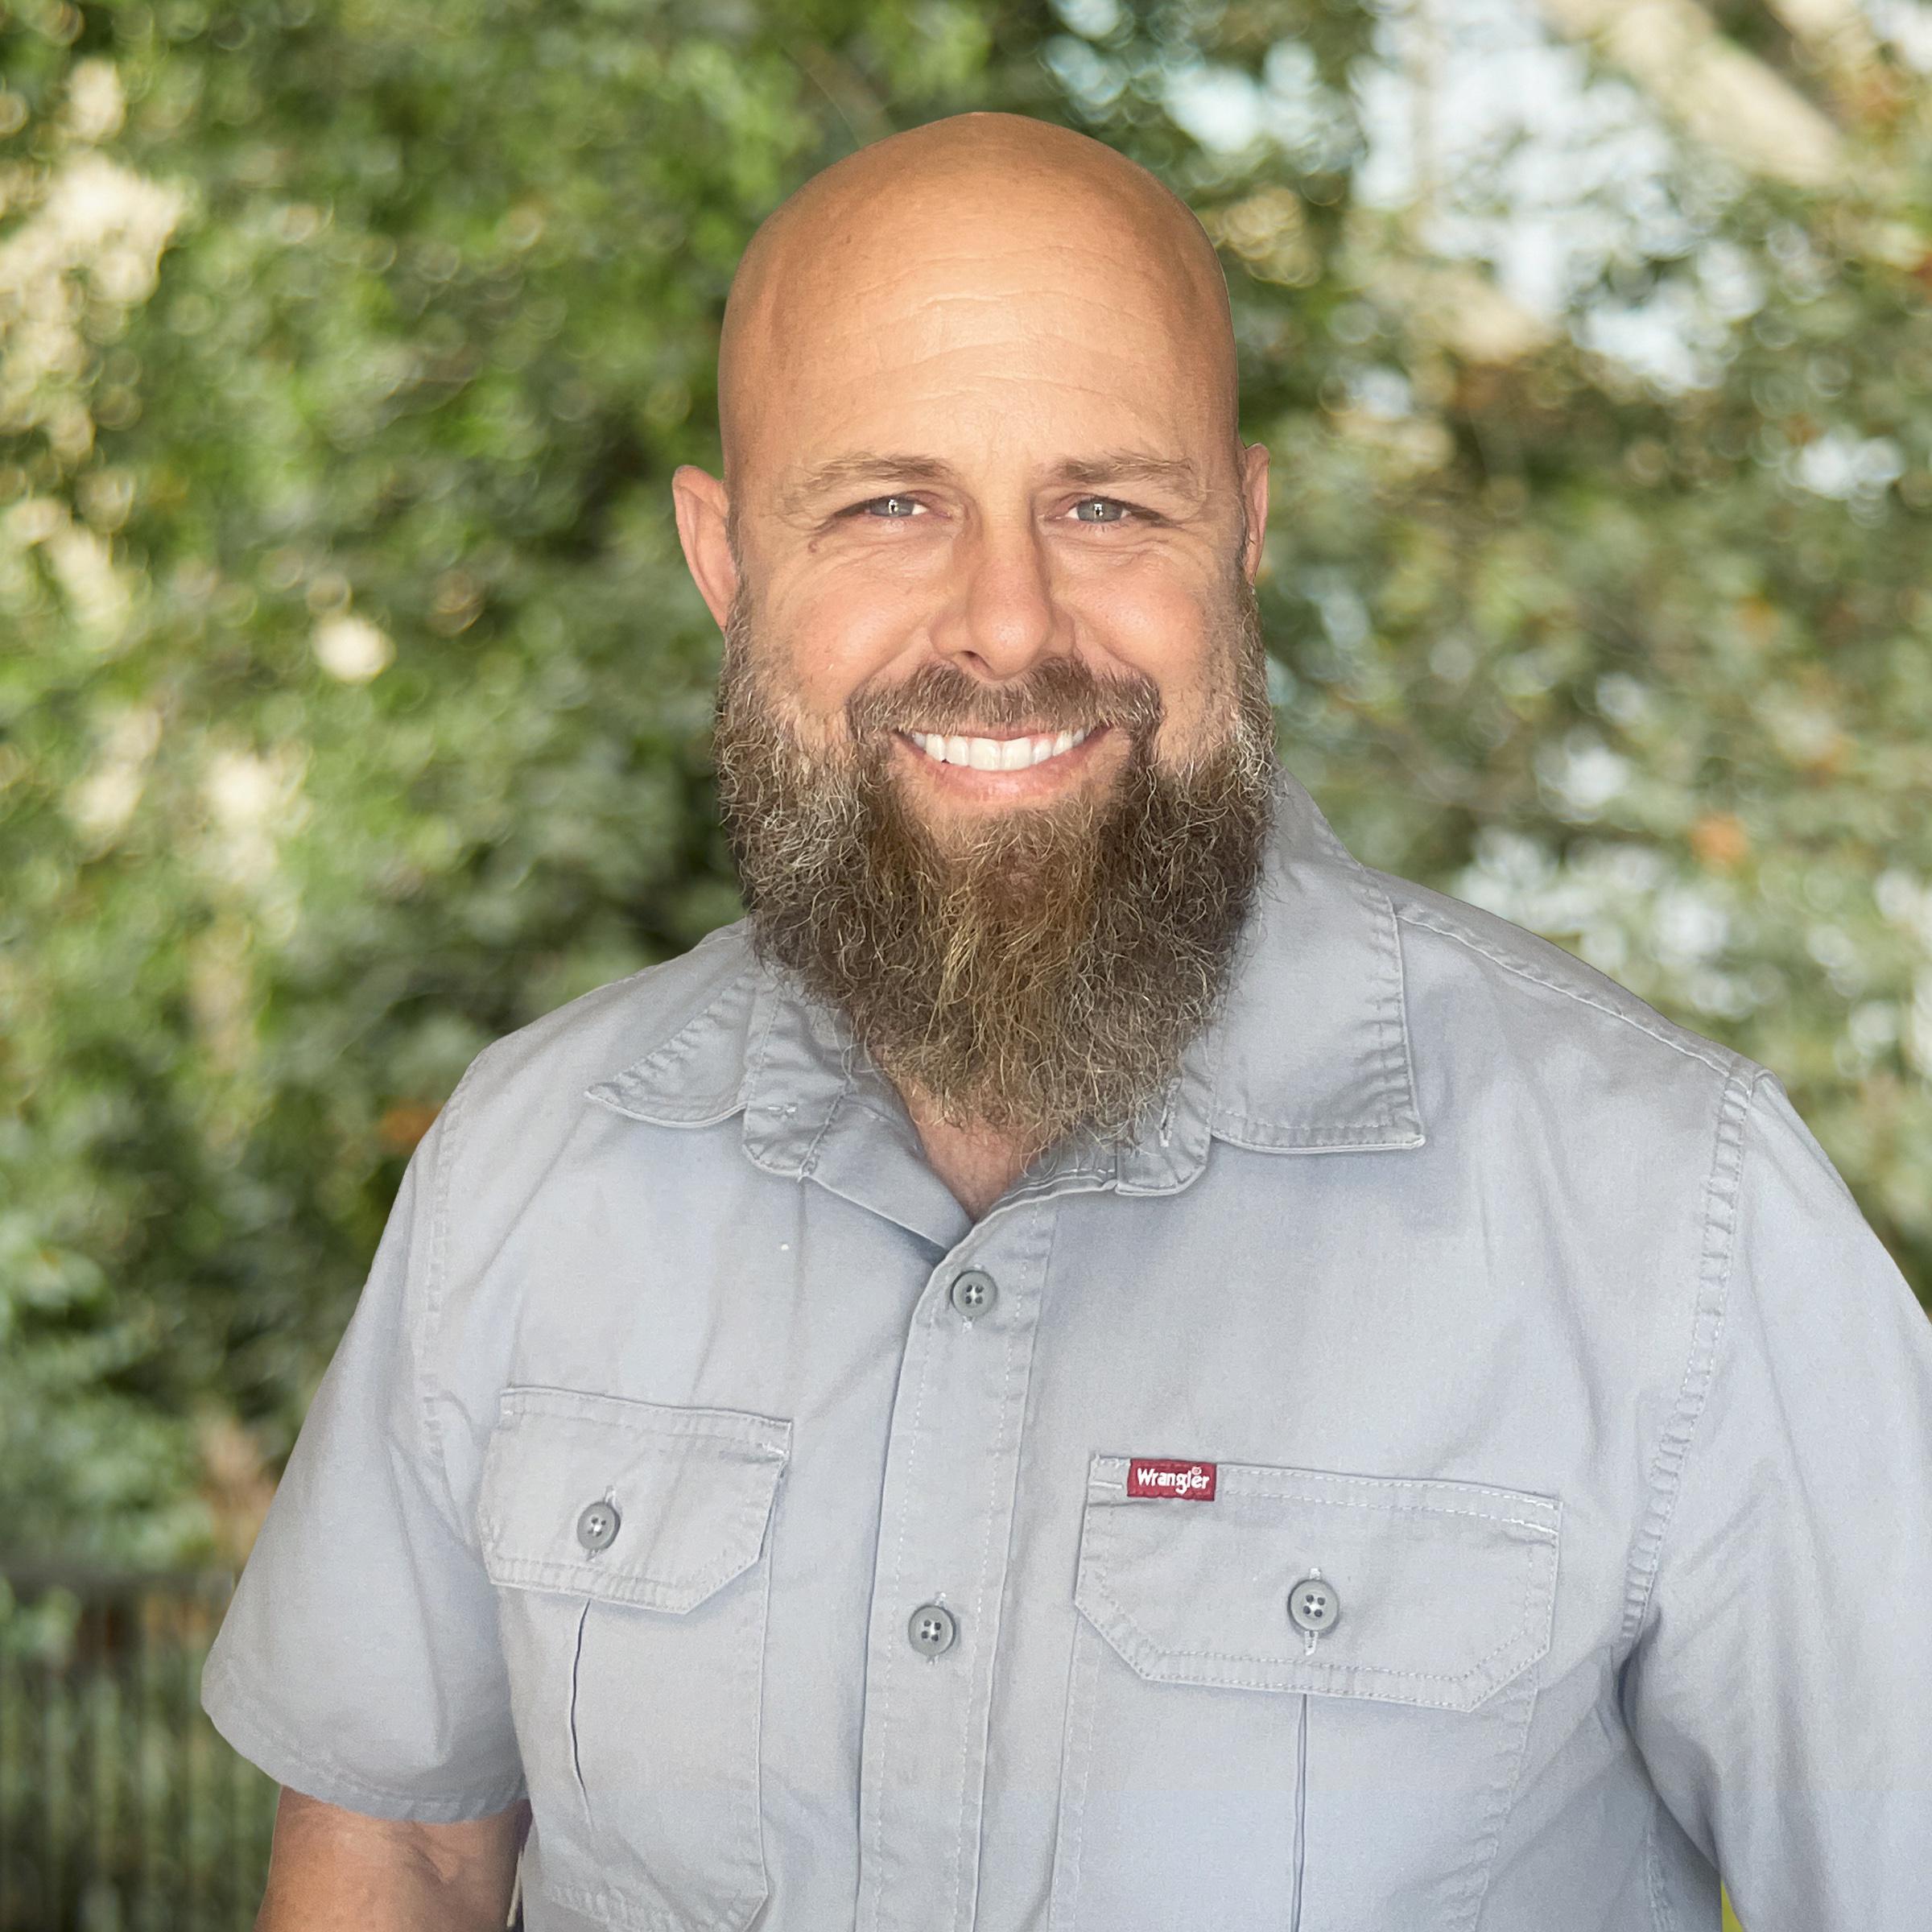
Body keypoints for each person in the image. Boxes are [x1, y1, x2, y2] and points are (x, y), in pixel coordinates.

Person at [203, 113, 1932, 1932]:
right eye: (890, 506)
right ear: (725, 560)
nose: (1010, 623)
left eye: (1106, 505)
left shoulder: (1675, 1214)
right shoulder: (526, 1164)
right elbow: (402, 1845)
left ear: (1242, 534)